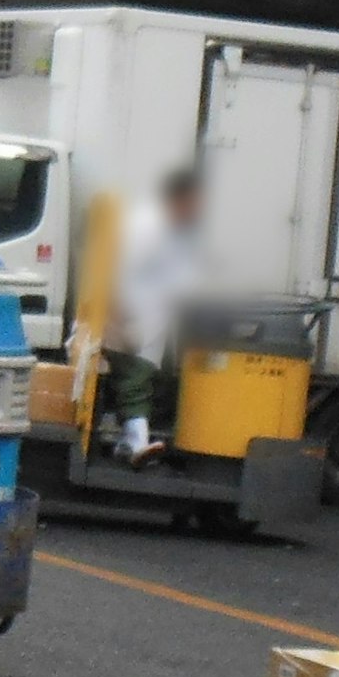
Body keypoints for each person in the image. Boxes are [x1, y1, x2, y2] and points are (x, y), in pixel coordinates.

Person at [103, 168, 204, 461]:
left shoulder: (172, 228)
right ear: (181, 198)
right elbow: (122, 269)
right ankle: (135, 442)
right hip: (128, 316)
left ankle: (126, 438)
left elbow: (178, 274)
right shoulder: (146, 224)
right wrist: (124, 309)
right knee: (135, 380)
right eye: (195, 201)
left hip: (148, 319)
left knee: (148, 380)